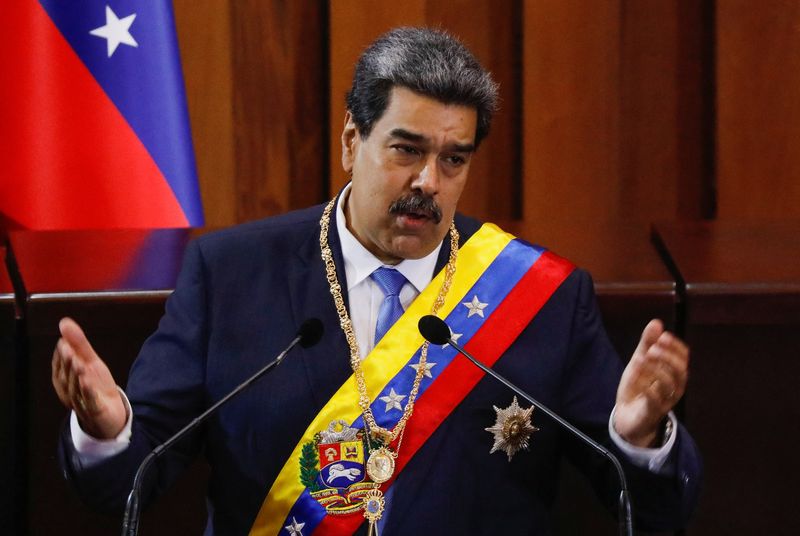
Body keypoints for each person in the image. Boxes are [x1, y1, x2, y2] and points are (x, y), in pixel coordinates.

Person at [52, 27, 701, 535]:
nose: (428, 182)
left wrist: (637, 439)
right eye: (406, 150)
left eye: (454, 160)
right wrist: (106, 431)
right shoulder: (229, 275)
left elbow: (659, 509)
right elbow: (125, 485)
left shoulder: (543, 299)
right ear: (350, 142)